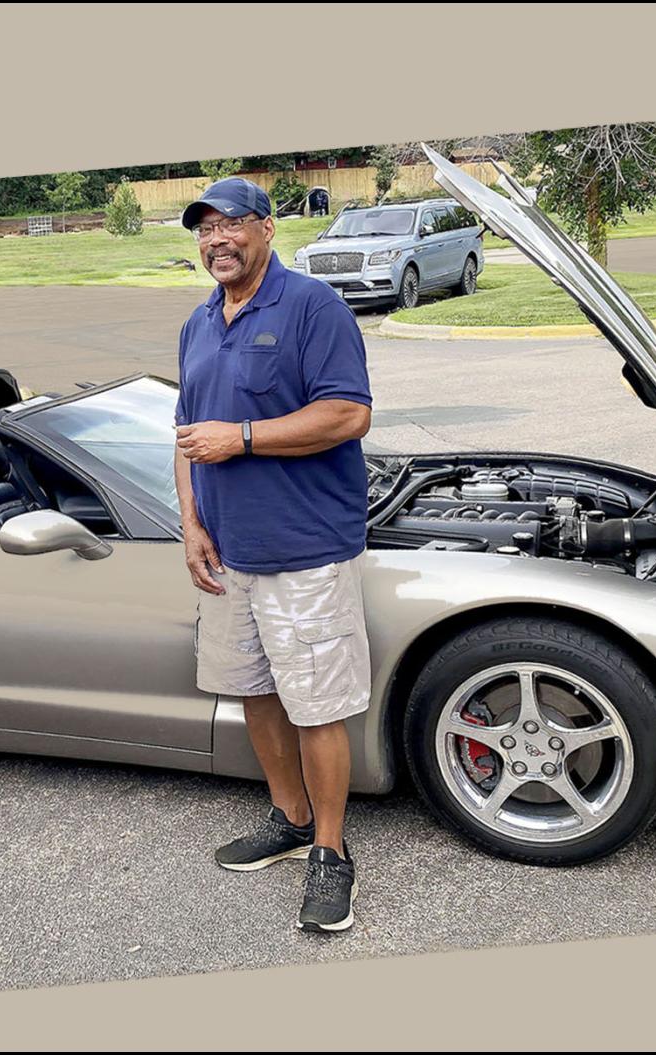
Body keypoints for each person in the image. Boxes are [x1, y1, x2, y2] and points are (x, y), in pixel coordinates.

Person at [173, 176, 375, 934]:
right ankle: (290, 818)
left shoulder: (311, 307)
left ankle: (329, 850)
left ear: (264, 229)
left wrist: (246, 437)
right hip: (228, 558)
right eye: (203, 230)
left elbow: (348, 412)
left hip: (304, 551)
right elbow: (187, 437)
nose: (215, 240)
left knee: (317, 705)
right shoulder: (198, 323)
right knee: (256, 691)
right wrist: (192, 524)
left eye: (229, 225)